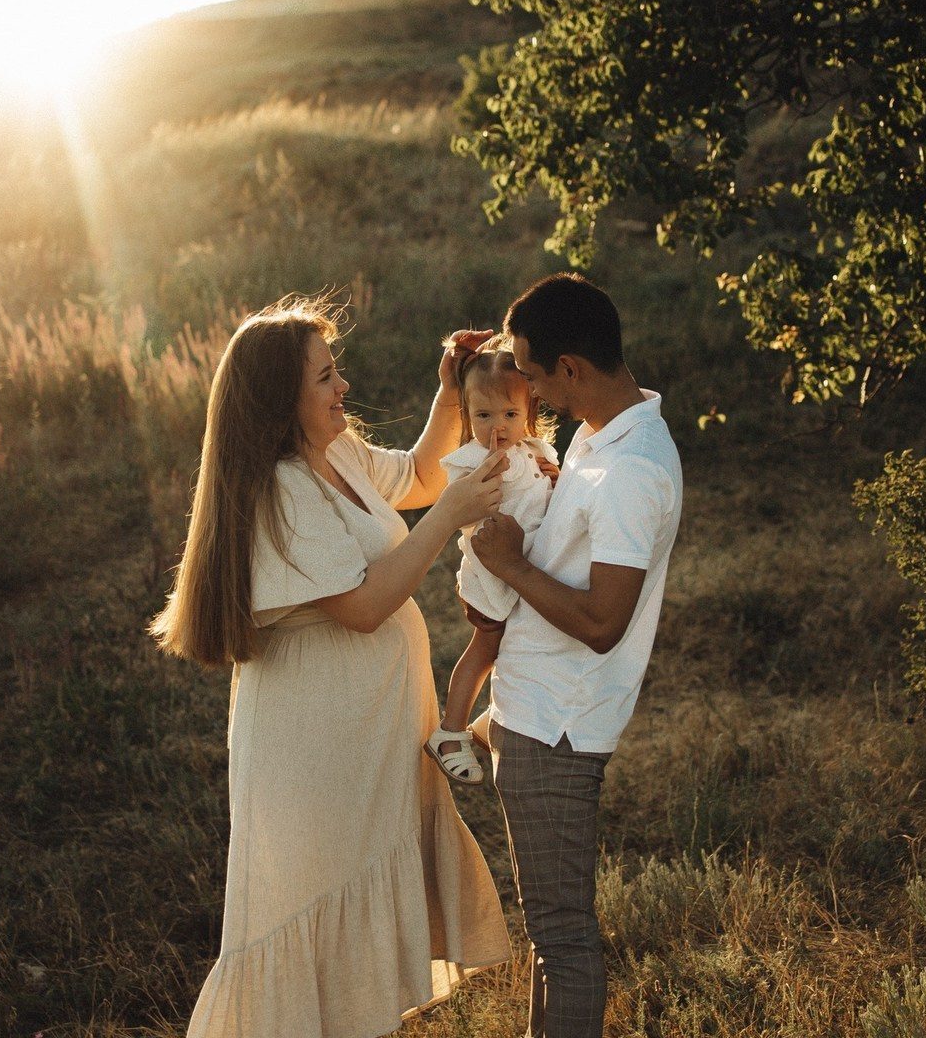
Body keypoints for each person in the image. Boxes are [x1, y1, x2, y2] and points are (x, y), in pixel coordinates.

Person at [150, 293, 512, 1038]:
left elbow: (418, 478)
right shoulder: (280, 489)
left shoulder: (336, 452)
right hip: (315, 747)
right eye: (324, 376)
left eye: (335, 369)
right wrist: (449, 517)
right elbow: (365, 604)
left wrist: (450, 394)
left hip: (366, 735)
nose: (343, 385)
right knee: (318, 905)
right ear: (282, 397)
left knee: (357, 921)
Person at [470, 273, 684, 1038]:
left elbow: (602, 622)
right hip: (534, 708)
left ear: (571, 367)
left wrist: (509, 565)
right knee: (549, 936)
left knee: (561, 939)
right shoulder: (602, 431)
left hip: (557, 727)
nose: (526, 391)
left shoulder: (631, 469)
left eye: (532, 374)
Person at [423, 345, 558, 786]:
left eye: (509, 414)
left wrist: (553, 478)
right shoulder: (469, 462)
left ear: (529, 410)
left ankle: (494, 716)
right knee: (486, 648)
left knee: (522, 645)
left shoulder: (534, 450)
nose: (497, 427)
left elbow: (543, 494)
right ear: (467, 414)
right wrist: (490, 471)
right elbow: (462, 508)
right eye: (484, 416)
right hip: (490, 578)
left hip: (524, 573)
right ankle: (450, 732)